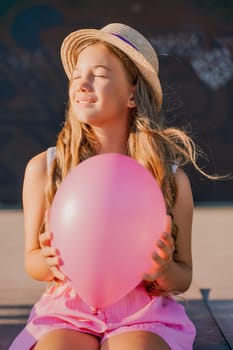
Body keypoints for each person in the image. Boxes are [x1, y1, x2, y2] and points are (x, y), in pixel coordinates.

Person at [10, 22, 200, 350]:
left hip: (144, 314)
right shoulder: (45, 168)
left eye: (98, 74)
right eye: (75, 75)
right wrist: (48, 261)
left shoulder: (170, 180)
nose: (82, 84)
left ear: (131, 93)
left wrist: (163, 269)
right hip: (66, 313)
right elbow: (32, 261)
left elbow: (183, 275)